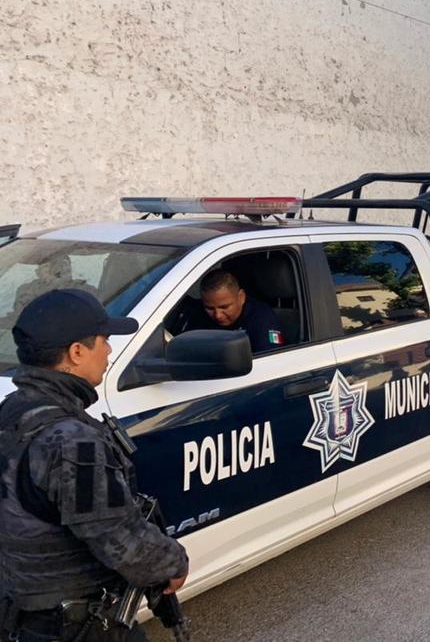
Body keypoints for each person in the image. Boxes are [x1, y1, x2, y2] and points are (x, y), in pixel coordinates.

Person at [0, 289, 188, 641]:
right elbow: (121, 542)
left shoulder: (12, 412)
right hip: (75, 625)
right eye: (104, 341)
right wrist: (173, 562)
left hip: (22, 613)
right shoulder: (71, 440)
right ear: (76, 352)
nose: (110, 351)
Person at [199, 269, 285, 354]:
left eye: (224, 307)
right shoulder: (198, 314)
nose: (218, 315)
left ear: (241, 297)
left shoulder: (262, 318)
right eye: (209, 308)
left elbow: (270, 358)